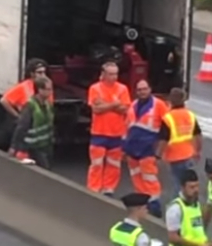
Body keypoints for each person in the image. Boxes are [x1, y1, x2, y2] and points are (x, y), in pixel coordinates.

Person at [124, 80, 169, 217]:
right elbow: (128, 128)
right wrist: (125, 149)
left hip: (148, 149)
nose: (142, 92)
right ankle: (143, 206)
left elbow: (166, 130)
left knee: (149, 179)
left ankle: (154, 207)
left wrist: (159, 152)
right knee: (137, 179)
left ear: (150, 89)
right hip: (133, 151)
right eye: (139, 90)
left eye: (144, 89)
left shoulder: (159, 105)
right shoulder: (133, 106)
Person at [87, 61, 131, 196]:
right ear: (104, 75)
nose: (114, 77)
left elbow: (125, 109)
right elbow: (96, 109)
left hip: (117, 133)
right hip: (99, 133)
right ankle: (93, 189)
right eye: (111, 74)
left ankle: (108, 189)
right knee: (96, 164)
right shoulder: (95, 88)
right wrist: (115, 104)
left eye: (116, 74)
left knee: (114, 165)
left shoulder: (123, 89)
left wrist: (106, 105)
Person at [156, 88, 203, 194]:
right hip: (189, 155)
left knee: (178, 184)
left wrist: (158, 156)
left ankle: (178, 207)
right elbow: (198, 135)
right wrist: (198, 151)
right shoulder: (190, 115)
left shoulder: (168, 118)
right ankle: (190, 205)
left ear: (170, 101)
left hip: (175, 157)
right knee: (188, 183)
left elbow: (163, 140)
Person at [9, 77, 55, 168]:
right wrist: (14, 147)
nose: (51, 92)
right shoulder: (30, 106)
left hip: (43, 146)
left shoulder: (47, 105)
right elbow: (22, 127)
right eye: (48, 89)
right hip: (31, 148)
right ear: (40, 90)